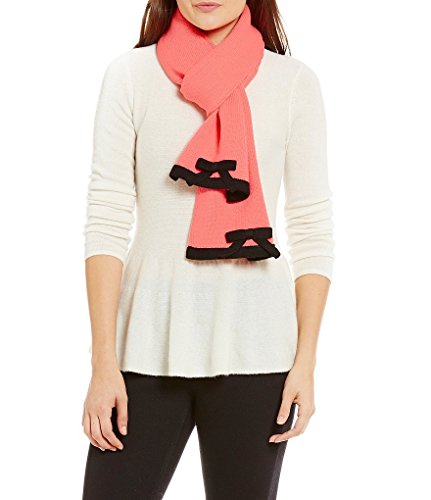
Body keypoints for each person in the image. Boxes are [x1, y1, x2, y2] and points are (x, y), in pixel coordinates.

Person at [81, 0, 335, 498]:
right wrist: (102, 363)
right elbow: (106, 221)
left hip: (258, 353)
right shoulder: (130, 75)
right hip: (145, 348)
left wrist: (306, 362)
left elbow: (312, 229)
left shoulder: (293, 83)